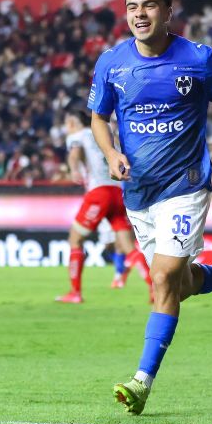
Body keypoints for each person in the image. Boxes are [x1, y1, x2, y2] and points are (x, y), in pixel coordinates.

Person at [88, 0, 212, 415]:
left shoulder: (198, 59)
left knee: (162, 279)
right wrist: (110, 152)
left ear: (167, 11)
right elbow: (98, 118)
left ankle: (141, 381)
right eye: (132, 7)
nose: (139, 14)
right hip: (139, 193)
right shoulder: (111, 62)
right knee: (178, 286)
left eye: (148, 5)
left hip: (185, 188)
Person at [56, 110, 152, 304]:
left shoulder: (77, 135)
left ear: (73, 121)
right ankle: (154, 288)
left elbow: (74, 154)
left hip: (99, 193)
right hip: (118, 193)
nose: (66, 126)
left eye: (67, 122)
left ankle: (75, 292)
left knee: (75, 239)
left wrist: (73, 169)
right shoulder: (106, 136)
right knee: (128, 247)